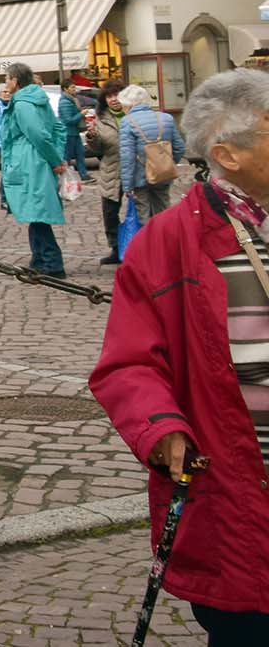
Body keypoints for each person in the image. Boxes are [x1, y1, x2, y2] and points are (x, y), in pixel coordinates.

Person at [91, 69, 269, 643]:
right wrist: (163, 428)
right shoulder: (170, 242)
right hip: (238, 483)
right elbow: (128, 363)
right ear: (228, 155)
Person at [0, 63, 68, 277]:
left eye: (8, 78)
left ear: (16, 81)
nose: (6, 83)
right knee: (33, 210)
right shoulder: (37, 100)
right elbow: (56, 128)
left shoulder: (22, 105)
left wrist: (55, 159)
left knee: (36, 211)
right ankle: (38, 258)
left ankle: (52, 262)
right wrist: (57, 154)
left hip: (29, 163)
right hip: (33, 161)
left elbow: (37, 134)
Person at [119, 82, 188, 226]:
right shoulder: (166, 118)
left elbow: (127, 158)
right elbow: (180, 147)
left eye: (123, 105)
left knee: (143, 216)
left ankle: (150, 245)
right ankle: (168, 243)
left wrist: (127, 186)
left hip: (140, 177)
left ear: (128, 105)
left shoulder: (127, 122)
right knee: (164, 210)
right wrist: (166, 163)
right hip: (163, 175)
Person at [86, 80, 125, 264]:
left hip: (135, 168)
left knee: (140, 209)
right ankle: (116, 248)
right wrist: (92, 137)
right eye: (109, 96)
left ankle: (142, 247)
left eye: (116, 95)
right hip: (111, 169)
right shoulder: (101, 119)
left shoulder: (132, 113)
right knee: (110, 212)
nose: (113, 99)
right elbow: (97, 149)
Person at [57, 82, 89, 180]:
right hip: (68, 133)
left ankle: (84, 175)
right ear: (65, 89)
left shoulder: (72, 100)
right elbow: (68, 120)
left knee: (80, 153)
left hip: (74, 132)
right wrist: (81, 114)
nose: (75, 89)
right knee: (67, 156)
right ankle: (64, 177)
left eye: (75, 86)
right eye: (72, 87)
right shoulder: (64, 102)